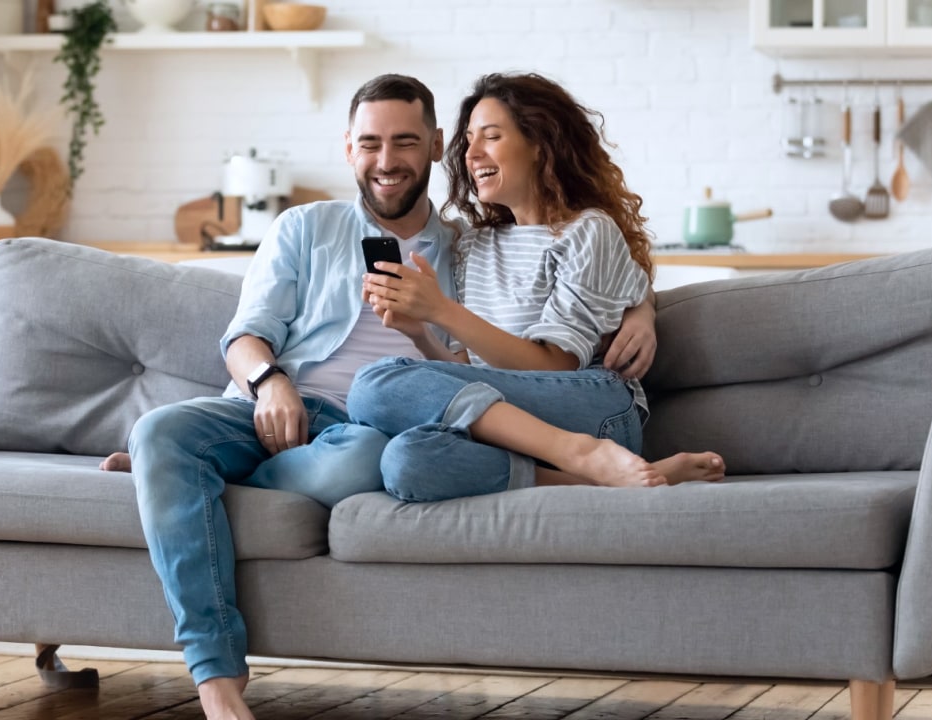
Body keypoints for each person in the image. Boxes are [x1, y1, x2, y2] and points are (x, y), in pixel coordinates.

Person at [124, 73, 657, 720]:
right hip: (275, 408)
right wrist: (271, 384)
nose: (386, 161)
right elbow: (244, 339)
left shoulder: (467, 244)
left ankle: (188, 478)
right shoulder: (304, 228)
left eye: (405, 142)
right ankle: (217, 684)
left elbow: (578, 262)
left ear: (434, 146)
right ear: (348, 148)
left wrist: (643, 310)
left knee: (368, 458)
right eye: (369, 143)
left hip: (369, 430)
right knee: (159, 433)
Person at [349, 72, 724, 502]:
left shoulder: (586, 232)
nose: (470, 153)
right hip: (513, 420)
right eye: (469, 139)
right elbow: (471, 375)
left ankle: (582, 452)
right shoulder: (474, 244)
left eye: (490, 136)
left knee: (372, 384)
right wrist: (420, 333)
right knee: (406, 461)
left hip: (592, 409)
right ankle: (598, 475)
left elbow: (555, 367)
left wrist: (442, 311)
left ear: (540, 144)